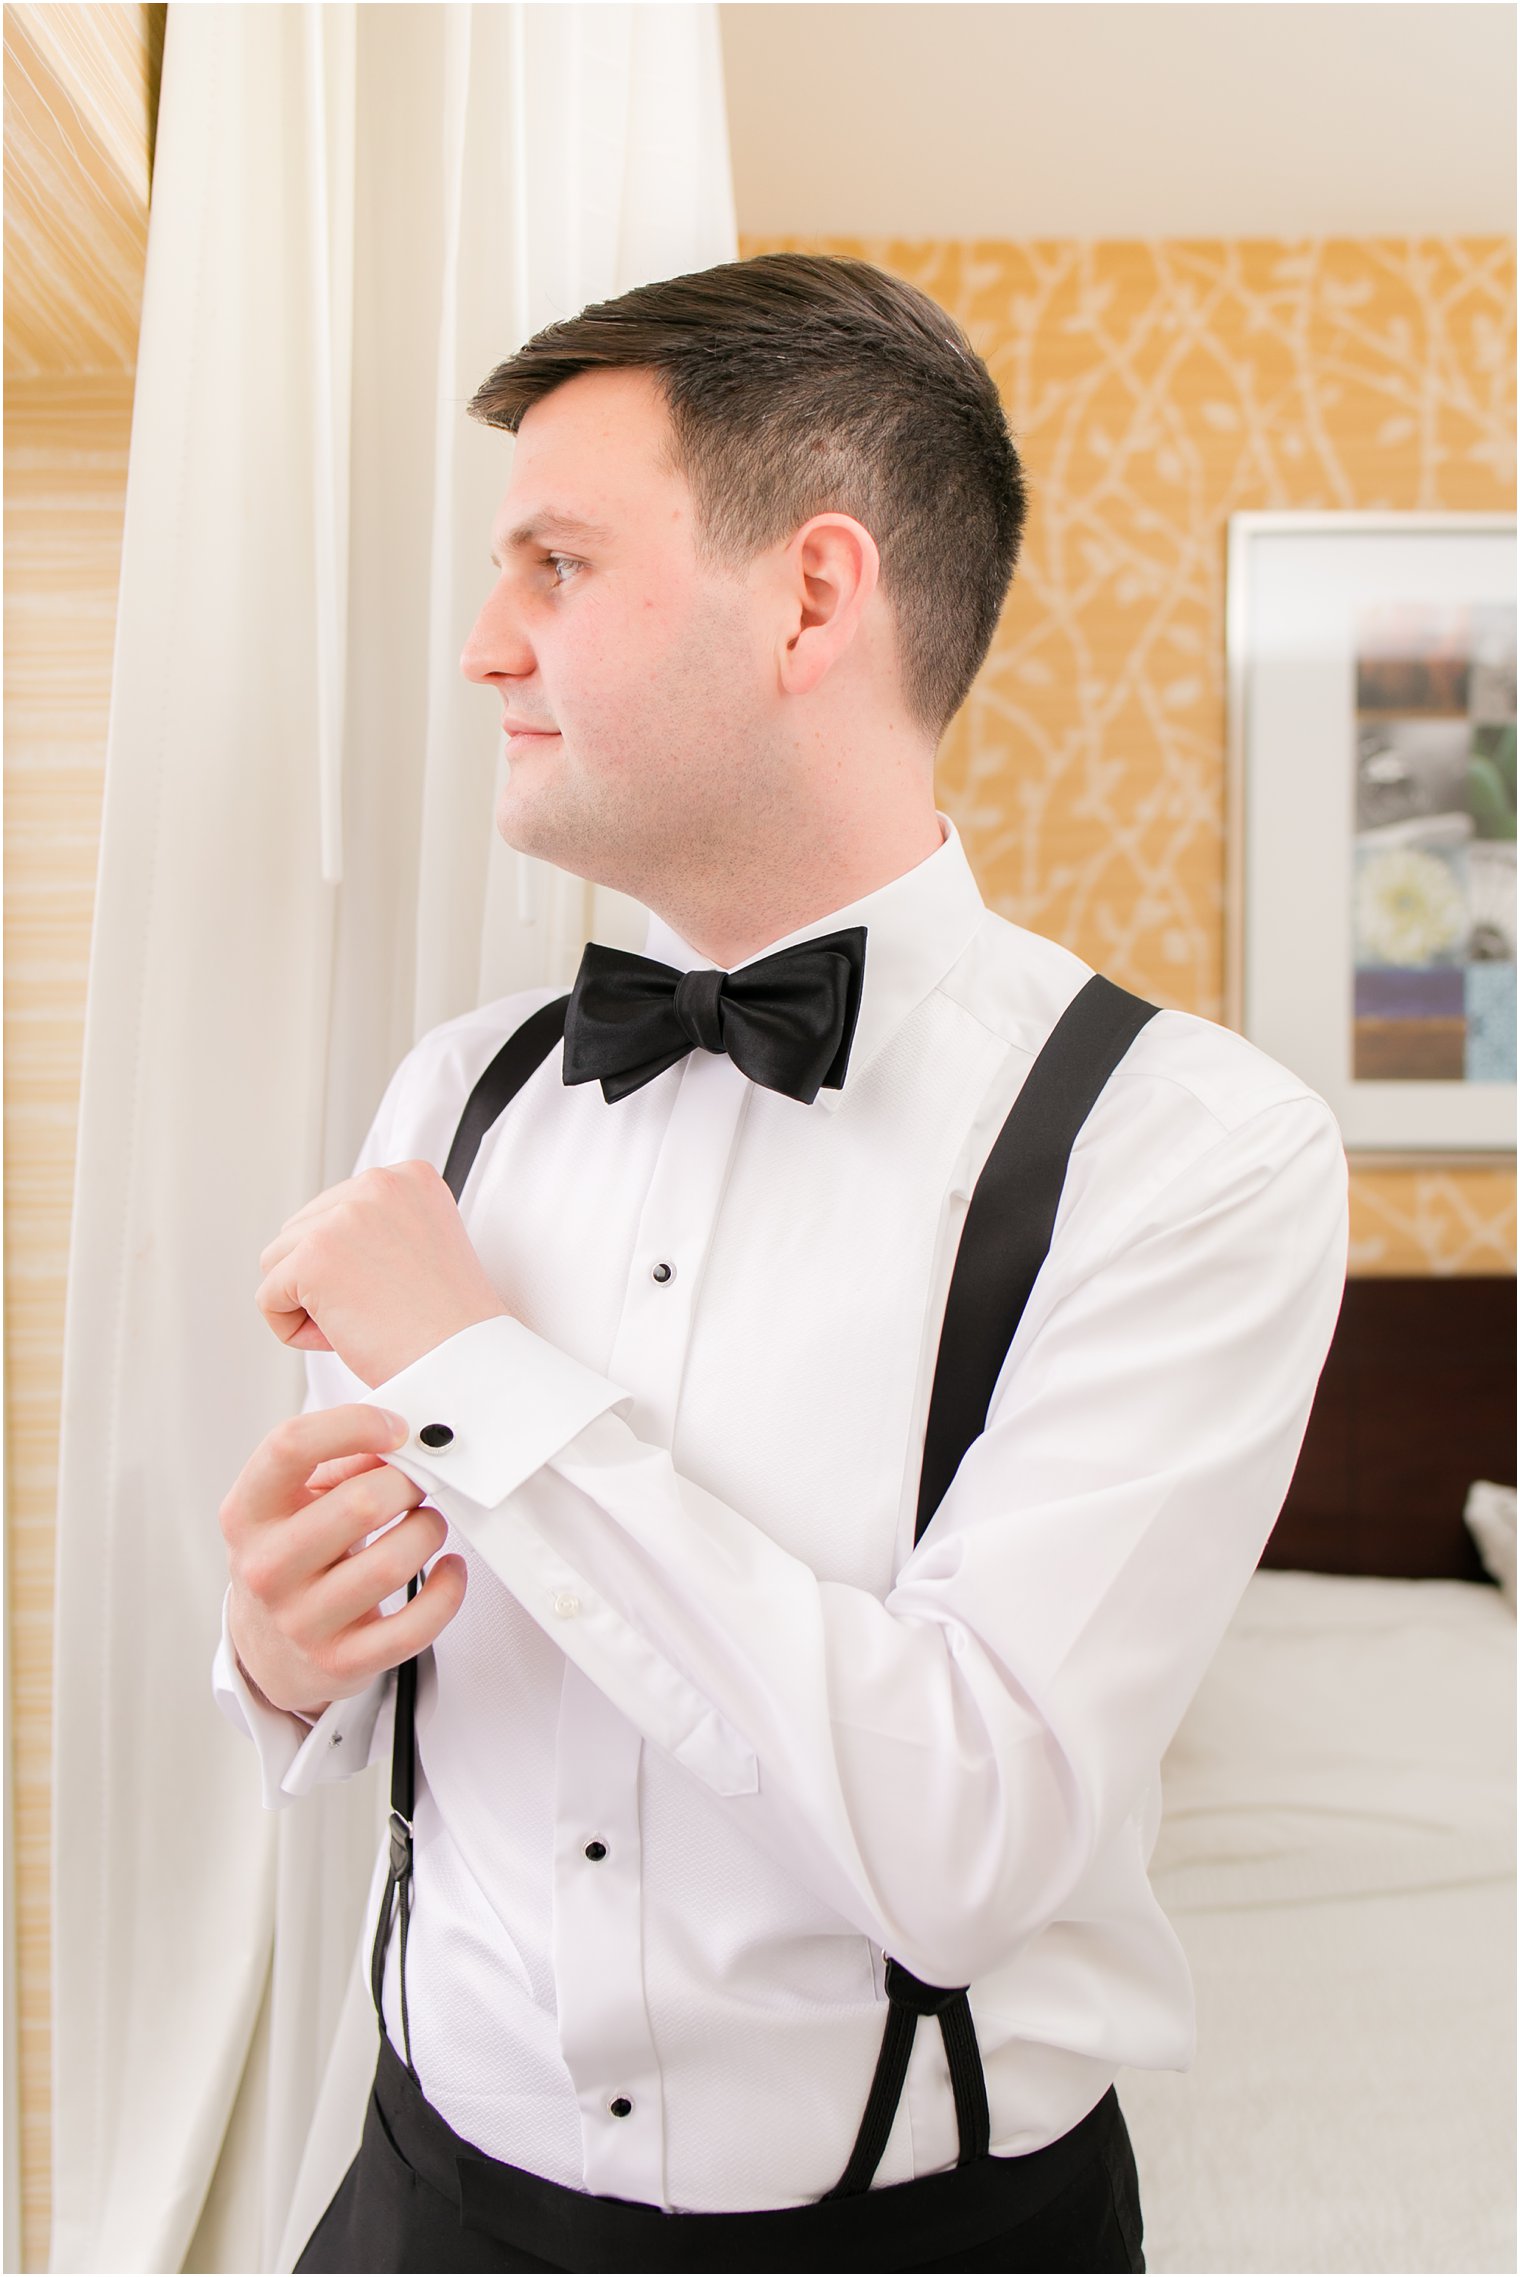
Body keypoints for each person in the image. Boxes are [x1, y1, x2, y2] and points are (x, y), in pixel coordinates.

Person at [213, 252, 1348, 2274]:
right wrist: (282, 1658)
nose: (485, 645)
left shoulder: (1188, 1151)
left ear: (813, 596)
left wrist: (485, 1364)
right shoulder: (454, 1099)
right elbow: (378, 1642)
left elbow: (962, 1840)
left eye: (555, 563)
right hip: (421, 2197)